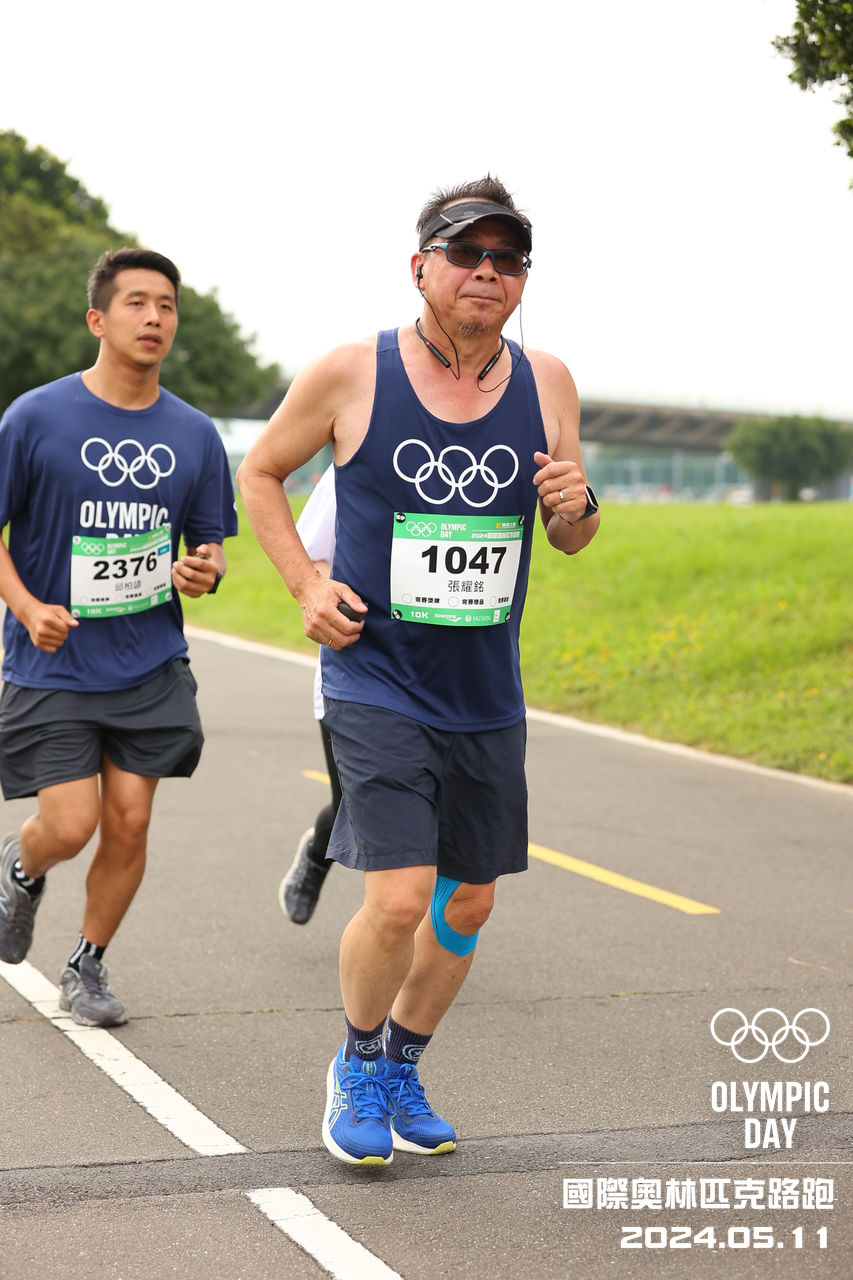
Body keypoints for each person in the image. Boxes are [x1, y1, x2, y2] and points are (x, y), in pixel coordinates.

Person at [237, 175, 599, 1167]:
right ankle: (355, 1065)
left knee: (468, 901)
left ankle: (402, 1061)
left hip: (485, 687)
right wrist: (306, 583)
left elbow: (570, 534)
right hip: (375, 676)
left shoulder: (548, 381)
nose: (488, 270)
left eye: (507, 258)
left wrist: (576, 505)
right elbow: (260, 470)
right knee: (399, 897)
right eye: (466, 252)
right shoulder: (352, 371)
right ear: (419, 267)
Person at [0, 247, 238, 1028]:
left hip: (149, 661)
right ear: (97, 319)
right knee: (70, 826)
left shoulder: (194, 433)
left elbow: (208, 545)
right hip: (53, 661)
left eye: (166, 305)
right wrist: (27, 606)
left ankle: (86, 965)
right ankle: (20, 868)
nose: (154, 317)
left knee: (130, 820)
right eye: (136, 302)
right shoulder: (35, 417)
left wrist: (202, 571)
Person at [279, 464, 341, 924]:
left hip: (464, 679)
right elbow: (312, 556)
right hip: (368, 674)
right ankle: (319, 853)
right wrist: (323, 596)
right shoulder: (362, 450)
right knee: (355, 808)